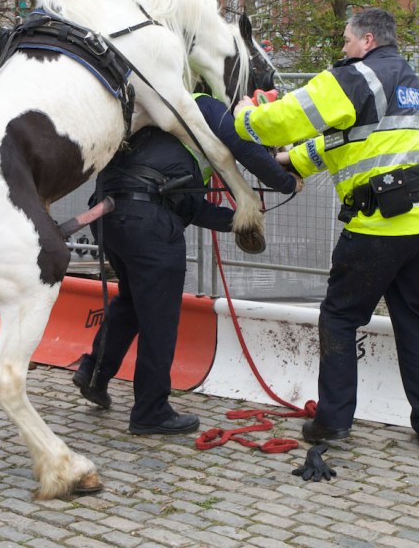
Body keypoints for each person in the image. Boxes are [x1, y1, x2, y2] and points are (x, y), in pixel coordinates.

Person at [233, 8, 419, 452]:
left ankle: (334, 422)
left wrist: (246, 118)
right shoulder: (407, 81)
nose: (342, 48)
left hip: (382, 226)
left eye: (345, 41)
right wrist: (293, 161)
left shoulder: (360, 75)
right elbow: (352, 140)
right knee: (414, 321)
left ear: (367, 40)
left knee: (339, 317)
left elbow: (289, 118)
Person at [73, 93, 302, 435]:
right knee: (159, 319)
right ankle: (150, 411)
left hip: (110, 214)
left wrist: (237, 220)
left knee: (133, 302)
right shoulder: (204, 106)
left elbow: (185, 205)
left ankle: (94, 372)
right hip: (148, 220)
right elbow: (248, 150)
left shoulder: (163, 118)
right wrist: (287, 183)